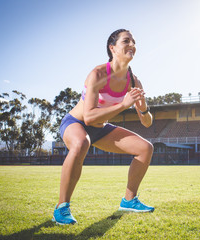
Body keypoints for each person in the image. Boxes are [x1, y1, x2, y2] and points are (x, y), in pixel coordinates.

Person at [52, 29, 154, 225]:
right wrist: (124, 104)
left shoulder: (134, 81)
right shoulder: (98, 74)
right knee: (81, 143)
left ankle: (129, 200)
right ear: (112, 48)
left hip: (101, 128)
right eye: (126, 41)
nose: (132, 45)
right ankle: (62, 207)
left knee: (145, 148)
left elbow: (147, 122)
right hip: (76, 123)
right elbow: (89, 117)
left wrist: (143, 107)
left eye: (134, 41)